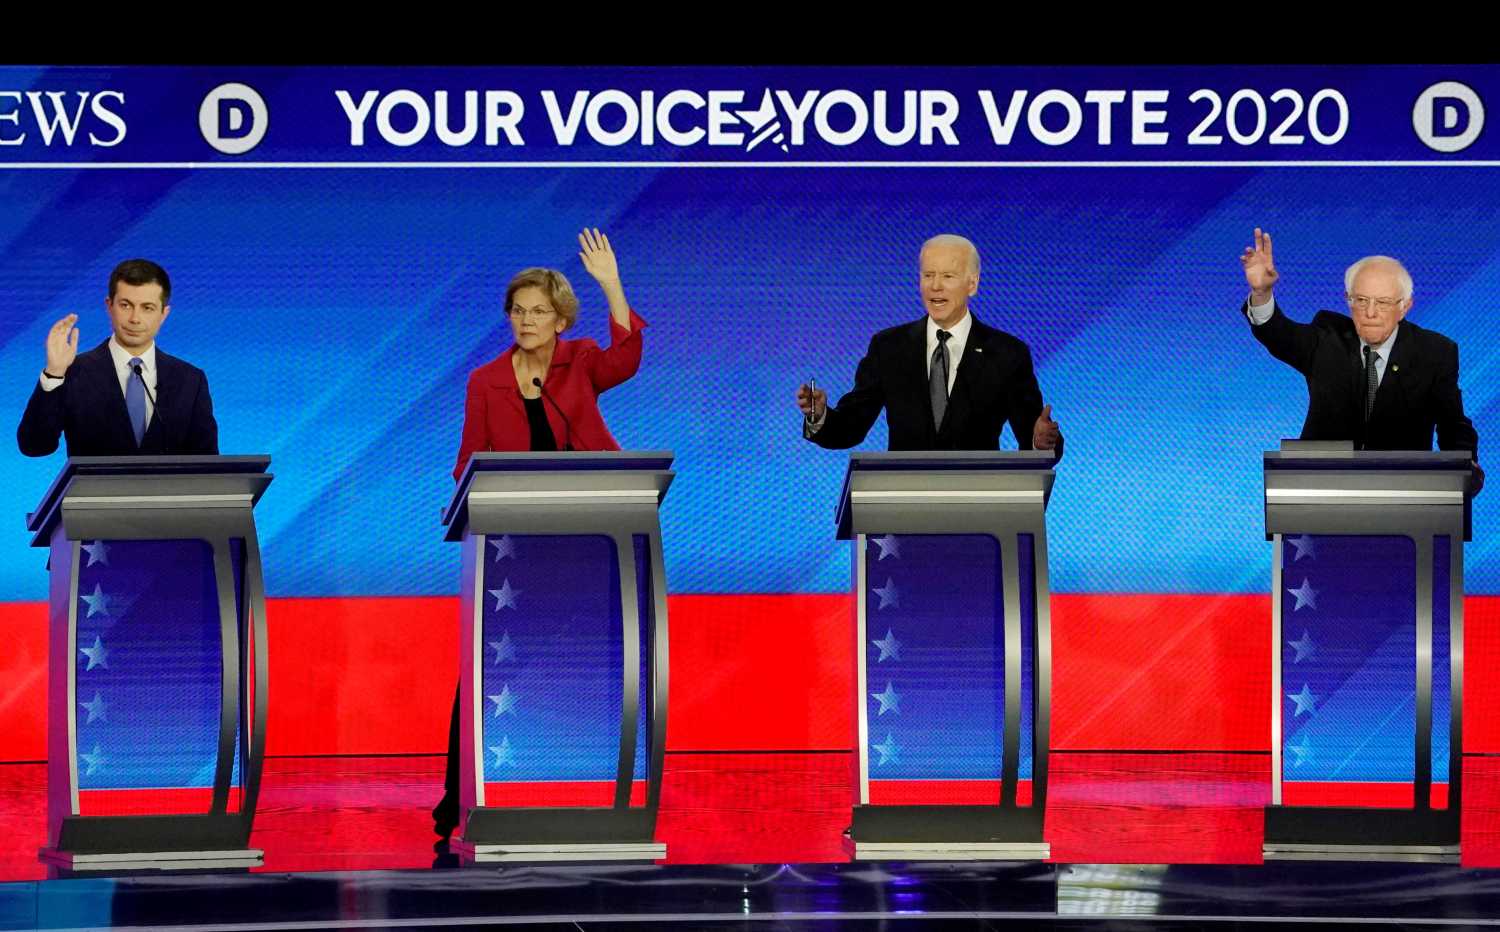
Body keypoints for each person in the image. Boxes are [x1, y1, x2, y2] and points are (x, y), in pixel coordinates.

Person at [434, 228, 646, 847]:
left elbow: (626, 359)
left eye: (539, 313)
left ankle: (609, 798)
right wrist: (479, 499)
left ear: (559, 320)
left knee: (606, 659)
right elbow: (467, 460)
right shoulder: (484, 380)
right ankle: (458, 796)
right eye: (518, 311)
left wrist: (612, 285)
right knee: (482, 669)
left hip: (587, 535)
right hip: (514, 547)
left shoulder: (579, 361)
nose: (527, 321)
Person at [1238, 228, 1481, 491]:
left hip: (1403, 498)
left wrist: (1465, 467)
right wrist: (1261, 294)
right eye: (1361, 300)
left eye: (1384, 302)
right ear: (1348, 301)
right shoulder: (1327, 338)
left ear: (1405, 306)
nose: (1371, 313)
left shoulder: (1434, 352)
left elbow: (1452, 423)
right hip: (1318, 493)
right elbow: (1279, 334)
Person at [795, 234, 1062, 454]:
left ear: (972, 283)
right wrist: (820, 416)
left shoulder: (1006, 353)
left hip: (978, 507)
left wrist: (1041, 442)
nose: (935, 286)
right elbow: (850, 427)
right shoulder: (889, 347)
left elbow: (1034, 434)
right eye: (928, 275)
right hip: (903, 508)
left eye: (948, 276)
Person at [17, 259, 218, 457]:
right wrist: (54, 373)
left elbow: (208, 465)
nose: (135, 319)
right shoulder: (73, 371)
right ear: (109, 305)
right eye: (125, 305)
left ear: (164, 314)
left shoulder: (190, 380)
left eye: (147, 308)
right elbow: (35, 446)